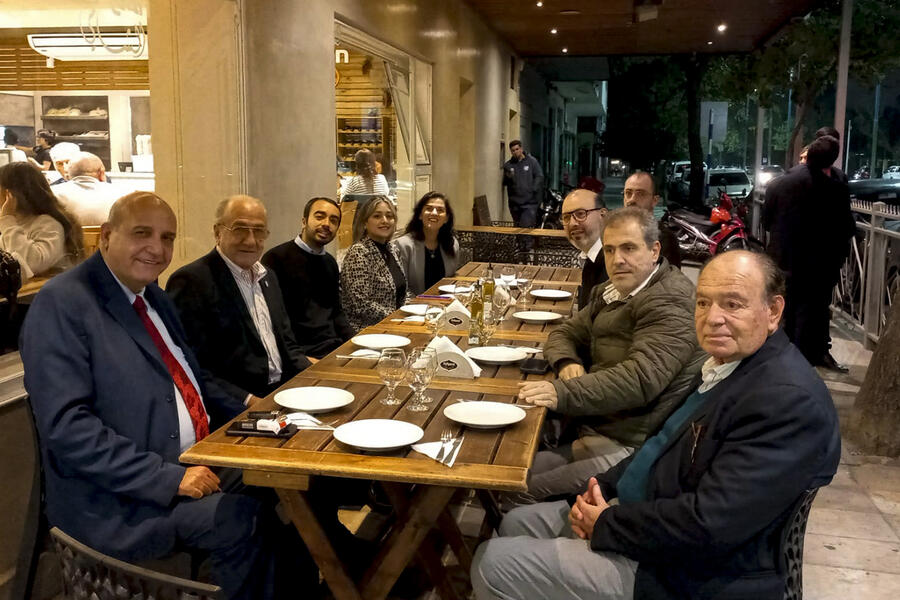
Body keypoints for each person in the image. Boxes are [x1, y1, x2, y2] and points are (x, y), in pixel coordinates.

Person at [472, 250, 841, 600]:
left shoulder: (785, 400)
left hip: (688, 574)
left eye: (733, 304)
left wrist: (607, 524)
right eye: (703, 303)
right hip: (647, 520)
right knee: (515, 522)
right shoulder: (730, 366)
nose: (713, 318)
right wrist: (599, 487)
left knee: (492, 564)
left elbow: (710, 525)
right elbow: (658, 446)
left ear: (773, 311)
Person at [20, 192, 316, 599]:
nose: (157, 249)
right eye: (142, 233)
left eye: (167, 237)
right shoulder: (63, 303)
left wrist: (264, 414)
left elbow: (192, 379)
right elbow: (69, 429)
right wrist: (169, 478)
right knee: (240, 519)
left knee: (296, 481)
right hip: (120, 496)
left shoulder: (152, 297)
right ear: (106, 235)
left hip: (192, 456)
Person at [512, 207, 704, 504]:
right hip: (599, 427)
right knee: (508, 466)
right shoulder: (612, 291)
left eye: (629, 248)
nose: (617, 260)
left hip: (629, 446)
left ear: (654, 251)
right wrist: (567, 361)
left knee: (513, 487)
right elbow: (563, 334)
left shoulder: (670, 299)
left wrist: (561, 392)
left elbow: (639, 380)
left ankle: (547, 542)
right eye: (610, 250)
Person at [167, 195, 312, 406]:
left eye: (259, 231)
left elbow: (288, 345)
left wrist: (316, 377)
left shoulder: (268, 277)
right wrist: (250, 401)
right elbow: (192, 366)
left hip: (284, 393)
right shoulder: (193, 281)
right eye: (240, 229)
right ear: (218, 232)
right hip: (235, 405)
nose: (251, 241)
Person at [763, 135, 855, 371]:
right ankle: (799, 366)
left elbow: (766, 222)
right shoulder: (836, 190)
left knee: (782, 311)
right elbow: (847, 228)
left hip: (783, 261)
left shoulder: (778, 184)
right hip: (819, 267)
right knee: (809, 315)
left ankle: (774, 361)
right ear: (831, 161)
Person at [262, 197, 355, 358]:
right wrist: (300, 360)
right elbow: (275, 322)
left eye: (334, 220)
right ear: (304, 221)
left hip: (334, 347)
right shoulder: (276, 258)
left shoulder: (329, 262)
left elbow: (336, 312)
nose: (326, 224)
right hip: (302, 353)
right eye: (319, 217)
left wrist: (355, 342)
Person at [0, 162, 83, 281]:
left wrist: (7, 220)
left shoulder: (49, 224)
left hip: (45, 294)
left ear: (10, 194)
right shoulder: (13, 221)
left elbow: (29, 264)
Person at [341, 195, 407, 332]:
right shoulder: (359, 252)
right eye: (377, 216)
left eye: (389, 216)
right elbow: (361, 304)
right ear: (365, 222)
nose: (385, 221)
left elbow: (402, 291)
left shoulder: (392, 249)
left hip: (393, 326)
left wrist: (410, 312)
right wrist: (397, 317)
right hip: (366, 330)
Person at [393, 191, 459, 295]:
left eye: (440, 210)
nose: (434, 213)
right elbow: (401, 287)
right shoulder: (403, 245)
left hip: (444, 303)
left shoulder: (451, 243)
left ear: (446, 218)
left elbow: (452, 278)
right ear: (420, 215)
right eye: (429, 209)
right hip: (415, 306)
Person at [621, 171, 682, 268]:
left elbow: (669, 280)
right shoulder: (615, 232)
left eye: (640, 194)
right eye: (628, 193)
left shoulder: (665, 239)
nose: (632, 199)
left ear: (655, 200)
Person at [559, 188, 608, 307]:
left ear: (603, 215)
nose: (572, 223)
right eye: (566, 217)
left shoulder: (612, 260)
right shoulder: (591, 258)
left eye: (580, 214)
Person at [53, 151, 124, 226]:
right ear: (101, 172)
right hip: (106, 237)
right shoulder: (119, 194)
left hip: (72, 237)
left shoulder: (53, 192)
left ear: (68, 174)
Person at [502, 140, 544, 227]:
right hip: (514, 204)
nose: (515, 152)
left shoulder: (532, 162)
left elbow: (539, 176)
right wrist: (509, 177)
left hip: (529, 204)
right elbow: (505, 182)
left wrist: (533, 189)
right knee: (517, 230)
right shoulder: (508, 165)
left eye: (517, 149)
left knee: (525, 230)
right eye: (513, 150)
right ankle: (520, 241)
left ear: (521, 149)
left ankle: (527, 241)